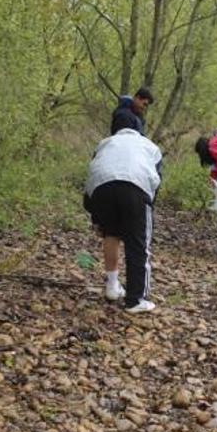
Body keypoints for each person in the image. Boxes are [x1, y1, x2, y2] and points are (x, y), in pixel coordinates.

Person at [84, 128, 163, 313]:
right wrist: (148, 208)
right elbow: (157, 179)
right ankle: (136, 300)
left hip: (100, 188)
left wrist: (97, 218)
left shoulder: (105, 143)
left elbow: (93, 173)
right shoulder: (150, 146)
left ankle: (112, 287)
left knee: (110, 233)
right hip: (136, 186)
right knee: (137, 242)